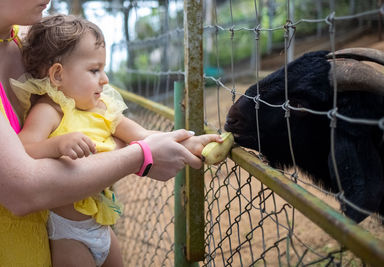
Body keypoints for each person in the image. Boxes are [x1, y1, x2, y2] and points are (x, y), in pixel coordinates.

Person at [0, 1, 220, 266]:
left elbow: (141, 136)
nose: (105, 80)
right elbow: (25, 153)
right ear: (57, 74)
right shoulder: (49, 110)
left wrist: (188, 141)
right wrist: (58, 145)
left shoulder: (98, 105)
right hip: (69, 235)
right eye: (95, 71)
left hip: (100, 225)